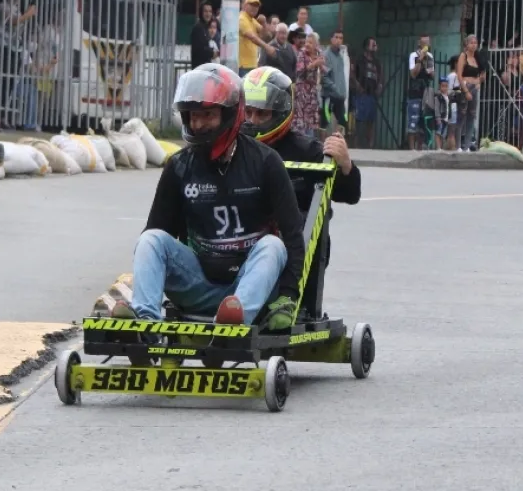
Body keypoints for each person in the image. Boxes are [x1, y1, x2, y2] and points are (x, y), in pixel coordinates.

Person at [113, 63, 306, 347]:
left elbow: (292, 235)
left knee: (274, 246)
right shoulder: (178, 166)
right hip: (199, 282)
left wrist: (289, 296)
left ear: (229, 114)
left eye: (207, 115)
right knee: (150, 240)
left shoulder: (266, 162)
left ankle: (233, 321)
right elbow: (158, 234)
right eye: (193, 116)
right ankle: (146, 326)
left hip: (250, 284)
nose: (198, 124)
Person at [240, 66, 361, 320]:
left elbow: (350, 194)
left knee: (308, 219)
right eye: (248, 112)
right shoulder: (232, 147)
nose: (252, 120)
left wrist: (345, 164)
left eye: (261, 113)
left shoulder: (307, 150)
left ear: (279, 112)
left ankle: (293, 304)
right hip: (235, 240)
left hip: (288, 247)